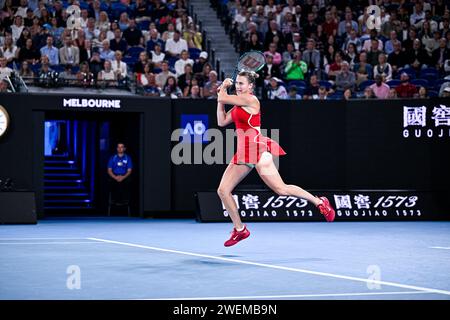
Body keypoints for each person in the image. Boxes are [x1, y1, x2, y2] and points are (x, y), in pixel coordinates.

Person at [216, 71, 336, 247]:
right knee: (223, 191)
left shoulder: (251, 100)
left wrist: (223, 89)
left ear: (250, 86)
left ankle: (319, 202)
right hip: (243, 153)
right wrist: (221, 98)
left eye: (242, 84)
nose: (239, 86)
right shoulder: (236, 105)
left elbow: (223, 98)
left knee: (281, 189)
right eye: (237, 83)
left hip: (258, 149)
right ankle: (240, 230)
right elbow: (221, 121)